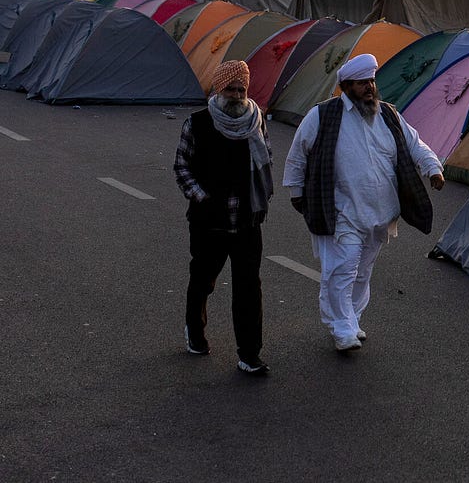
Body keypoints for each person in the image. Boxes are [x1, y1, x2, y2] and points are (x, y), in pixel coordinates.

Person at [283, 52, 444, 353]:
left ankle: (352, 319)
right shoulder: (322, 115)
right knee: (342, 267)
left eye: (371, 81)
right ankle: (340, 328)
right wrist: (296, 192)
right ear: (346, 86)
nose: (369, 87)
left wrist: (433, 169)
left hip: (381, 212)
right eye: (361, 83)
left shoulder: (388, 114)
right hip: (341, 210)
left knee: (362, 271)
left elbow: (415, 144)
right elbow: (298, 154)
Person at [173, 59, 273, 376]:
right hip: (209, 223)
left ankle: (249, 354)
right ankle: (196, 332)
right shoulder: (198, 123)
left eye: (241, 89)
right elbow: (182, 167)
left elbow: (266, 160)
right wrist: (202, 198)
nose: (236, 94)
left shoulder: (256, 122)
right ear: (219, 88)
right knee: (203, 281)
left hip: (247, 222)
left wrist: (261, 196)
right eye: (231, 88)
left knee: (248, 288)